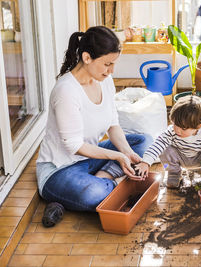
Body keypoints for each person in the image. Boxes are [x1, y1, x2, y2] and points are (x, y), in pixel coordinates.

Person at [36, 26, 152, 227]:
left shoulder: (104, 81)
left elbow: (113, 125)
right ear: (87, 57)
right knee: (94, 193)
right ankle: (108, 185)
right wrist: (117, 156)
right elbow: (74, 146)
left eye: (114, 64)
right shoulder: (66, 91)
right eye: (107, 64)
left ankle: (103, 178)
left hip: (89, 158)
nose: (111, 70)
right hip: (60, 169)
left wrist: (127, 152)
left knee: (144, 141)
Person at [135, 95, 201, 188]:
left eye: (183, 128)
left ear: (199, 126)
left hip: (200, 159)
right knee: (165, 149)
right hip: (179, 158)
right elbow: (158, 144)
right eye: (174, 124)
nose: (177, 130)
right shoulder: (172, 132)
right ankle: (173, 174)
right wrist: (146, 162)